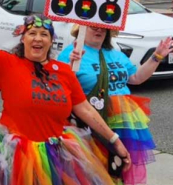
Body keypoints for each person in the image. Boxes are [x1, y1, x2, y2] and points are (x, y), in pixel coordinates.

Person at [0, 0, 130, 185]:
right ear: (23, 38)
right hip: (15, 157)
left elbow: (84, 109)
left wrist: (114, 140)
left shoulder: (63, 71)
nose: (38, 38)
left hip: (59, 156)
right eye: (32, 33)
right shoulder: (8, 63)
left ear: (51, 41)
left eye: (44, 34)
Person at [59, 25, 171, 185]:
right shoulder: (70, 54)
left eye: (103, 28)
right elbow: (63, 89)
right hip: (94, 122)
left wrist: (156, 56)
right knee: (97, 171)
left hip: (124, 124)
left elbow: (136, 78)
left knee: (122, 169)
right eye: (93, 27)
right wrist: (72, 65)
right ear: (80, 29)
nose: (99, 31)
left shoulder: (115, 55)